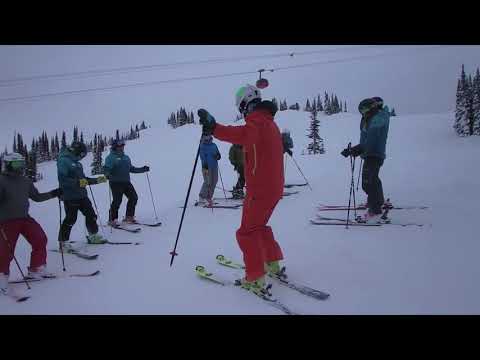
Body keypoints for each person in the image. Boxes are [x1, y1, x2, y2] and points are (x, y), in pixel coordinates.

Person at [198, 84, 285, 296]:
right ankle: (271, 264)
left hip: (260, 190)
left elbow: (242, 134)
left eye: (241, 106)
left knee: (246, 233)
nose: (241, 111)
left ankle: (255, 278)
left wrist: (214, 127)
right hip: (273, 188)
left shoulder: (257, 123)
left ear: (245, 104)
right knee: (259, 227)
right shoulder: (269, 123)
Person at [0, 153, 62, 294]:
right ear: (8, 165)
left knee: (40, 238)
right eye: (17, 164)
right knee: (6, 250)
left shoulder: (25, 180)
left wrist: (54, 193)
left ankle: (36, 268)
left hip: (24, 218)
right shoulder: (2, 180)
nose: (20, 167)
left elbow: (37, 197)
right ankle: (2, 276)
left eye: (21, 164)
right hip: (6, 221)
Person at [341, 97, 390, 223]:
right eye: (361, 110)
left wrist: (357, 150)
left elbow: (371, 140)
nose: (362, 112)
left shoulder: (377, 120)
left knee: (368, 182)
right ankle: (376, 202)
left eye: (363, 109)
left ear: (370, 108)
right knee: (373, 180)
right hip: (372, 153)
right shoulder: (373, 119)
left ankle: (375, 210)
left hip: (373, 153)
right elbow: (367, 140)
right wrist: (356, 149)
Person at [57, 141, 108, 249]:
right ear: (76, 151)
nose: (82, 157)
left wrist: (98, 180)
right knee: (71, 219)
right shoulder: (63, 161)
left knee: (91, 215)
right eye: (82, 154)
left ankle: (93, 235)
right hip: (69, 195)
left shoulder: (78, 164)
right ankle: (63, 242)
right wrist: (78, 183)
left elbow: (83, 180)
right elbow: (64, 180)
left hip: (82, 195)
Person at [103, 139, 150, 226]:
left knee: (133, 197)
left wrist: (142, 169)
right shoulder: (110, 158)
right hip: (115, 182)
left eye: (122, 146)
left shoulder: (126, 157)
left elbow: (131, 169)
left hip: (126, 181)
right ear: (114, 147)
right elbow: (106, 169)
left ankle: (129, 217)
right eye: (119, 146)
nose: (121, 148)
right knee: (117, 201)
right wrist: (107, 174)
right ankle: (111, 220)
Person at [198, 134, 221, 206]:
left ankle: (209, 197)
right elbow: (202, 156)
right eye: (206, 136)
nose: (208, 137)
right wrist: (205, 165)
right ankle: (202, 197)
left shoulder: (214, 145)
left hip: (214, 166)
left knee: (214, 180)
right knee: (207, 181)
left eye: (208, 136)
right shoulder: (202, 146)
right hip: (207, 167)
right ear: (203, 137)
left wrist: (218, 156)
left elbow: (218, 154)